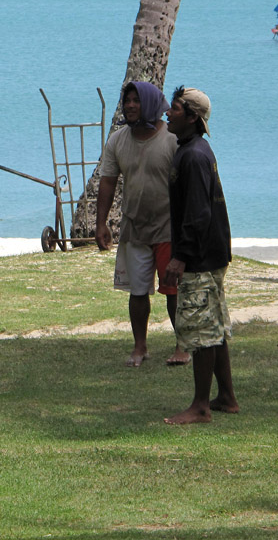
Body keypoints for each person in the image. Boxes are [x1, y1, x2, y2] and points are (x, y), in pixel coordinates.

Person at [95, 81, 189, 368]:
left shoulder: (172, 139)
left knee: (173, 291)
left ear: (149, 103)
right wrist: (101, 223)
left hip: (168, 228)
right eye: (127, 101)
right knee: (137, 292)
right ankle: (140, 346)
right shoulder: (118, 140)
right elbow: (108, 182)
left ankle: (182, 345)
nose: (130, 106)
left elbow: (188, 186)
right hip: (135, 228)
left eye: (136, 100)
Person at [161, 87, 239, 425]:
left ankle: (201, 406)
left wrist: (180, 257)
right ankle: (227, 397)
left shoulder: (193, 156)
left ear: (192, 117)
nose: (167, 112)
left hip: (202, 256)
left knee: (203, 331)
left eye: (175, 108)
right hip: (212, 252)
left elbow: (197, 214)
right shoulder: (193, 150)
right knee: (215, 326)